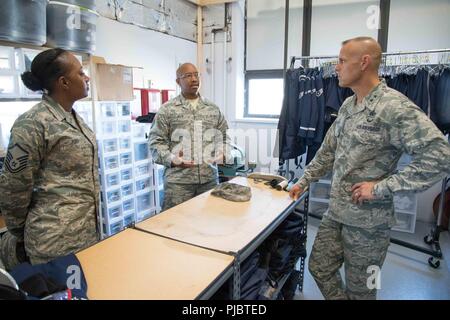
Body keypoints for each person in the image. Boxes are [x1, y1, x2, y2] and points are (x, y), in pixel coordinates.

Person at [289, 37, 450, 300]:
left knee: (362, 290)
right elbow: (328, 151)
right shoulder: (348, 105)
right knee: (318, 267)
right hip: (336, 212)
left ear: (364, 62)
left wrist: (381, 188)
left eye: (341, 61)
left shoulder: (394, 107)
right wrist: (303, 181)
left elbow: (440, 156)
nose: (336, 68)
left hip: (369, 224)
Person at [0, 48, 100, 268]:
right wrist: (22, 233)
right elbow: (13, 188)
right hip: (54, 243)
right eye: (81, 73)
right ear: (63, 82)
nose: (87, 78)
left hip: (84, 234)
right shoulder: (32, 123)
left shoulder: (73, 118)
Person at [149, 63, 231, 210]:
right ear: (178, 81)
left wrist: (223, 152)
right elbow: (156, 142)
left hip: (209, 181)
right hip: (178, 184)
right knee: (175, 227)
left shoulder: (212, 108)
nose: (194, 79)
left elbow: (224, 136)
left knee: (208, 223)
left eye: (196, 75)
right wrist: (173, 159)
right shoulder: (167, 110)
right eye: (188, 76)